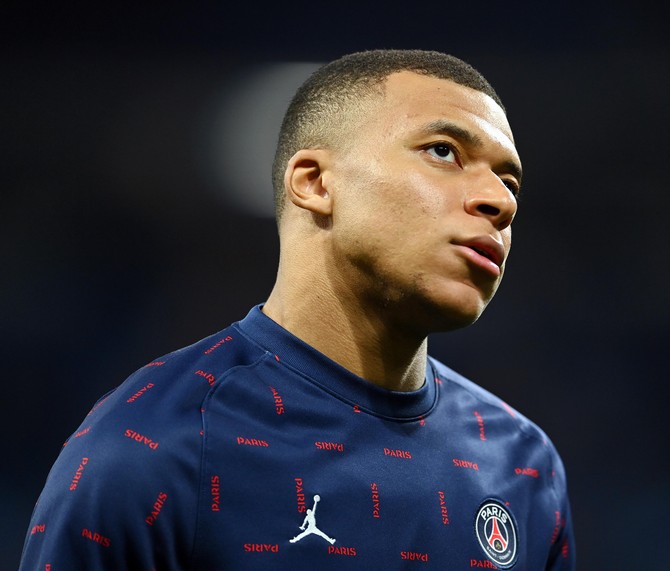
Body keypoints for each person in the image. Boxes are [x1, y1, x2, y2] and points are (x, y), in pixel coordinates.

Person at [20, 49, 574, 570]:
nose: (500, 202)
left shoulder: (523, 465)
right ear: (314, 183)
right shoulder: (154, 444)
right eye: (443, 152)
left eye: (509, 180)